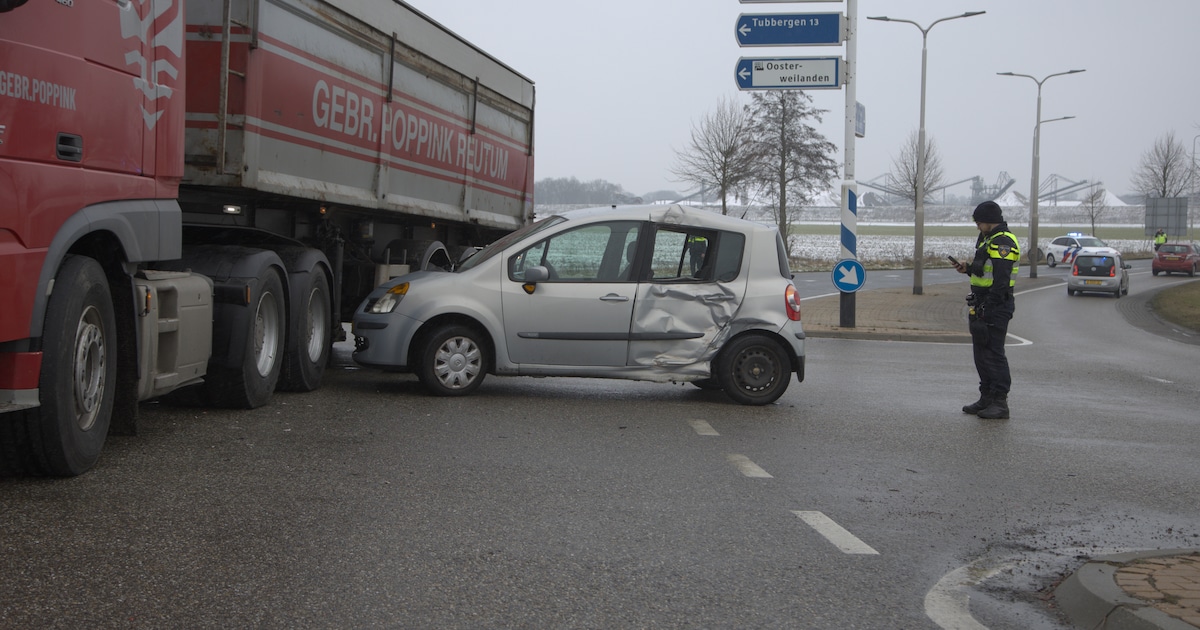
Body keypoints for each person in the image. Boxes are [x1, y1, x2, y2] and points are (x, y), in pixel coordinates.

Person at [951, 200, 1019, 419]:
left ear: (988, 221)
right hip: (982, 303)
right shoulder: (988, 240)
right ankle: (986, 398)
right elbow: (985, 273)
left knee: (993, 354)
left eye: (979, 222)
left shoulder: (1003, 242)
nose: (977, 226)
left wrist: (988, 306)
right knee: (981, 354)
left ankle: (1000, 402)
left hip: (995, 305)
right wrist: (968, 269)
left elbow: (1001, 280)